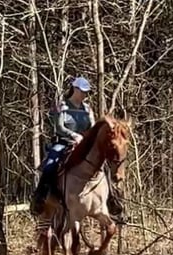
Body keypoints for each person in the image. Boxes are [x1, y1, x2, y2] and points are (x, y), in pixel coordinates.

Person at [30, 76, 126, 225]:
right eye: (82, 91)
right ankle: (40, 197)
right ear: (75, 89)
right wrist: (74, 135)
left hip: (84, 145)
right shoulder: (61, 105)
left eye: (86, 92)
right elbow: (59, 127)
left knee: (104, 165)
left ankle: (112, 200)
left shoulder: (87, 109)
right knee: (50, 164)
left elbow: (93, 128)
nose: (84, 95)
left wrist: (88, 139)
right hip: (64, 142)